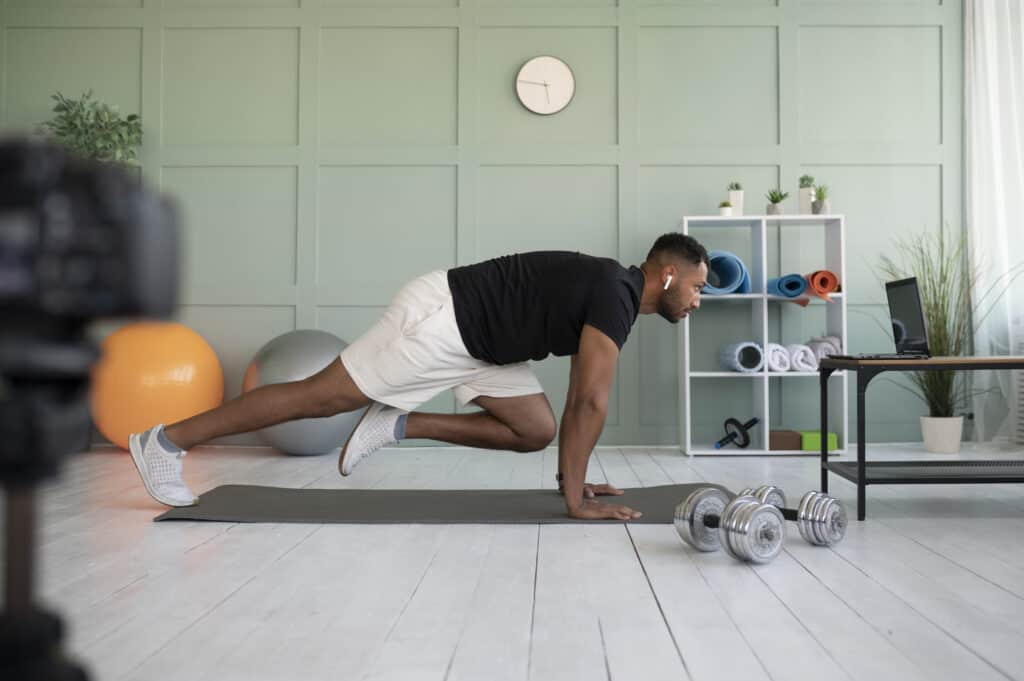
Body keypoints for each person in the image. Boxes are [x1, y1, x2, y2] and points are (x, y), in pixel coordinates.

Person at [128, 232, 708, 520]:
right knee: (322, 397)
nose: (698, 299)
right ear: (666, 274)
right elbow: (591, 402)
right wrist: (578, 501)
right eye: (698, 286)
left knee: (533, 427)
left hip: (487, 347)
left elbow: (581, 399)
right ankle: (164, 442)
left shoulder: (615, 294)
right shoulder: (616, 292)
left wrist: (572, 484)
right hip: (446, 320)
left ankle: (398, 424)